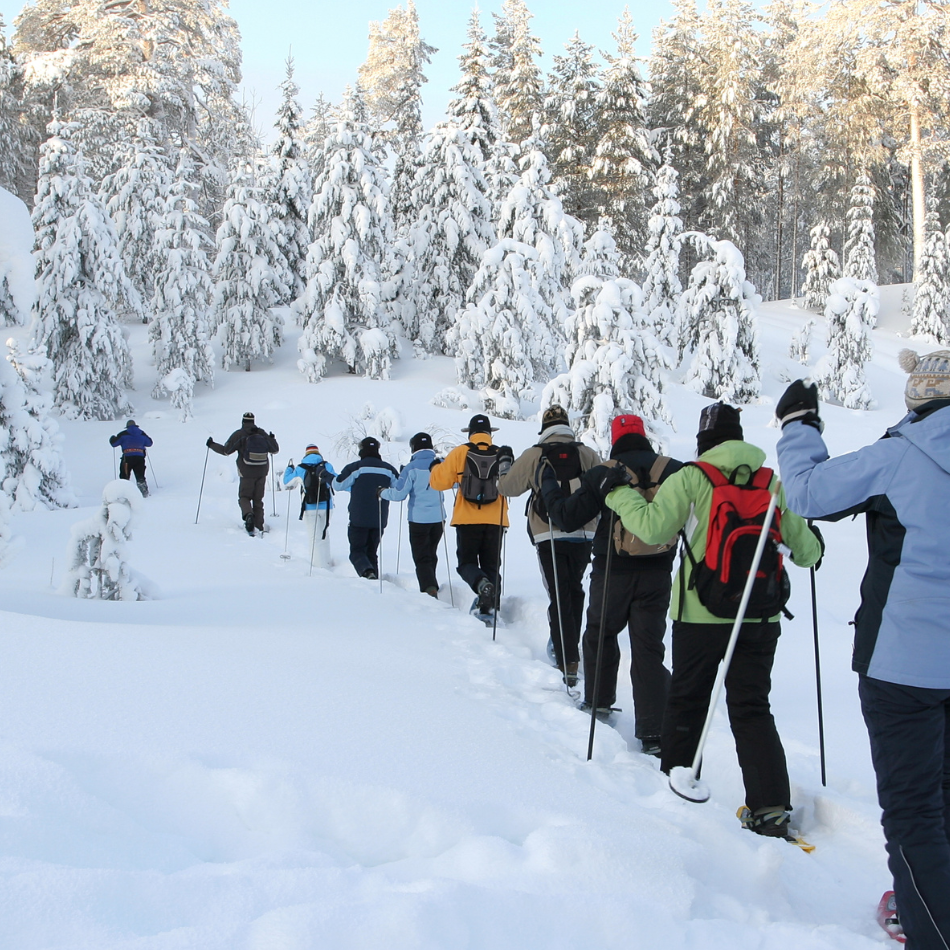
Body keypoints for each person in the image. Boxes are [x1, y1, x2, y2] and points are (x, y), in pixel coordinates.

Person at [776, 352, 950, 948]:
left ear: (916, 400)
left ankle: (931, 929)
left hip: (903, 661)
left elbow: (803, 493)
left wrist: (799, 425)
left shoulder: (900, 455)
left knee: (913, 812)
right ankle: (923, 900)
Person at [603, 402, 821, 834]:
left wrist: (616, 493)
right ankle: (770, 808)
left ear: (704, 443)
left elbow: (652, 528)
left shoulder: (693, 477)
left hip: (700, 615)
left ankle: (676, 790)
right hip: (759, 618)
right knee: (753, 707)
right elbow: (807, 552)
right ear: (738, 438)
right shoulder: (771, 482)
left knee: (688, 699)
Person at [540, 414, 683, 747]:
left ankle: (599, 704)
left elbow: (565, 517)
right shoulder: (672, 469)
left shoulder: (603, 473)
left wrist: (548, 483)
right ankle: (653, 733)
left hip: (612, 572)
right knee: (649, 649)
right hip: (659, 573)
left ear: (614, 437)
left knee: (600, 635)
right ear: (643, 436)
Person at [498, 404, 601, 685]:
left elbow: (506, 488)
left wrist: (504, 463)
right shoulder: (587, 453)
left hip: (548, 533)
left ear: (544, 428)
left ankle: (565, 656)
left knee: (559, 593)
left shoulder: (535, 454)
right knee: (574, 589)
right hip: (584, 533)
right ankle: (569, 651)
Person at [429, 414, 511, 617]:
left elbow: (438, 483)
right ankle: (490, 606)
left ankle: (482, 585)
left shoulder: (460, 453)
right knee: (492, 564)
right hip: (496, 520)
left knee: (466, 563)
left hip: (467, 519)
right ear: (490, 433)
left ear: (471, 433)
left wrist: (434, 468)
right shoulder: (502, 454)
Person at [380, 432, 446, 597]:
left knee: (421, 556)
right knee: (431, 553)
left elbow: (399, 494)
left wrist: (382, 492)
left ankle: (429, 589)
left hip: (418, 520)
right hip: (439, 519)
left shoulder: (411, 468)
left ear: (413, 448)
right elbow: (456, 483)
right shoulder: (442, 464)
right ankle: (432, 584)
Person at [333, 436, 398, 579]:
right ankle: (373, 578)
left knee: (356, 551)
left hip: (359, 517)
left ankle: (367, 573)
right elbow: (398, 489)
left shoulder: (355, 467)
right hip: (379, 518)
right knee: (372, 552)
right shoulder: (389, 469)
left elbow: (338, 485)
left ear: (362, 450)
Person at [207, 412, 279, 535]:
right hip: (262, 471)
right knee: (258, 499)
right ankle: (259, 526)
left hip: (246, 472)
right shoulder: (261, 433)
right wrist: (272, 438)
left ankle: (248, 515)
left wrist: (211, 445)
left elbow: (226, 451)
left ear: (243, 421)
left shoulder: (239, 434)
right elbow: (275, 449)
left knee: (244, 497)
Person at [283, 444, 337, 569]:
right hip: (328, 507)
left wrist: (289, 469)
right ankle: (327, 561)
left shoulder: (301, 468)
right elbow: (336, 480)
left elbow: (287, 482)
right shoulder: (327, 466)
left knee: (314, 537)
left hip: (310, 507)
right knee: (324, 533)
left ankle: (319, 567)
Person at [110, 420, 153, 496]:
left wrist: (112, 438)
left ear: (127, 427)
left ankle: (124, 493)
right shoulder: (142, 433)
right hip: (140, 457)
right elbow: (149, 443)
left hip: (127, 458)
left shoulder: (123, 434)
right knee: (140, 476)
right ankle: (144, 492)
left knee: (124, 476)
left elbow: (114, 444)